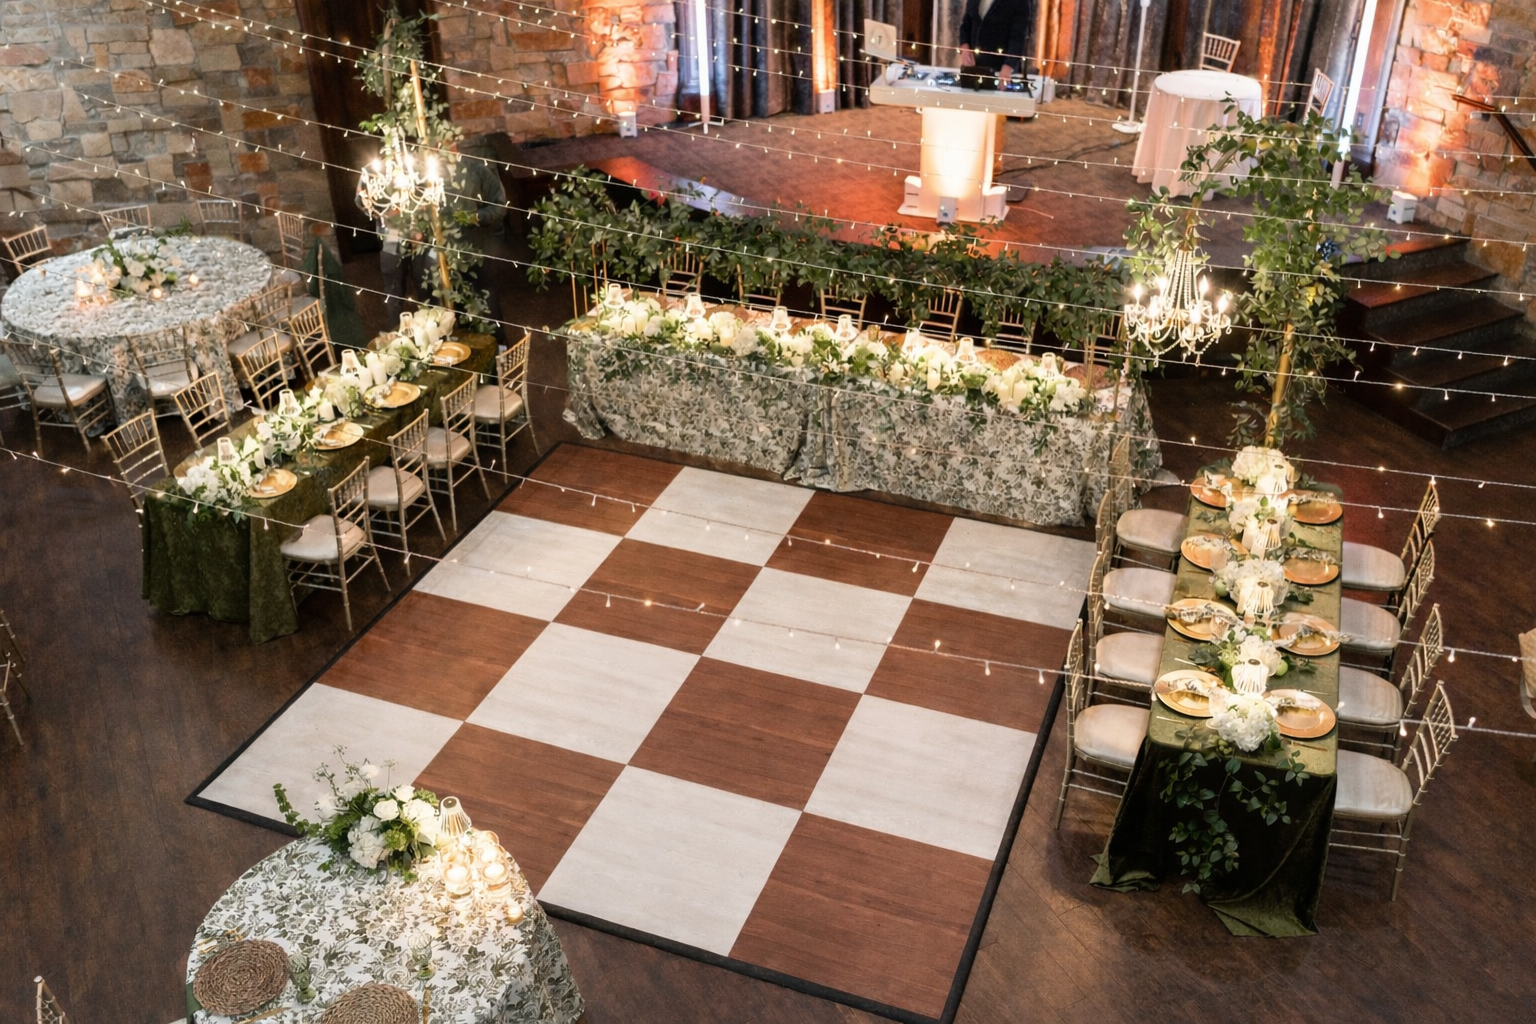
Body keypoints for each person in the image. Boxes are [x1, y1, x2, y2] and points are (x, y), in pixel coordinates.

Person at [958, 0, 1035, 88]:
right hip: (973, 68)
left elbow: (1018, 38)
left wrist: (1008, 67)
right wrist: (964, 47)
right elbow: (966, 25)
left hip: (1001, 72)